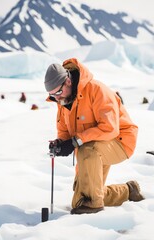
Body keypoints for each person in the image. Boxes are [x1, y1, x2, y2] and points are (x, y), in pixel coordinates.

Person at [44, 58, 144, 215]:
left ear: (68, 81)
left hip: (120, 141)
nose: (56, 98)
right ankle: (128, 191)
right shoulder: (63, 101)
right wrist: (60, 143)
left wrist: (75, 141)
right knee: (80, 198)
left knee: (87, 155)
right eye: (52, 95)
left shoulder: (97, 90)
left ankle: (94, 206)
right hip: (91, 146)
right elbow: (64, 131)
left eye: (58, 92)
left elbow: (110, 128)